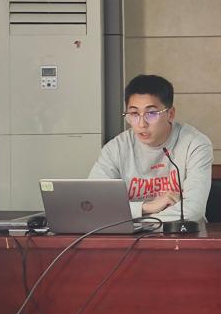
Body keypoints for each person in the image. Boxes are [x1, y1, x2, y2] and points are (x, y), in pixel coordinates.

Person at [89, 74, 213, 222]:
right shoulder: (116, 148)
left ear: (170, 114)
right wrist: (145, 207)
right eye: (134, 114)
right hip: (130, 233)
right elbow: (94, 204)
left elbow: (193, 210)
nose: (142, 124)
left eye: (151, 114)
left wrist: (137, 224)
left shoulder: (195, 144)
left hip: (181, 233)